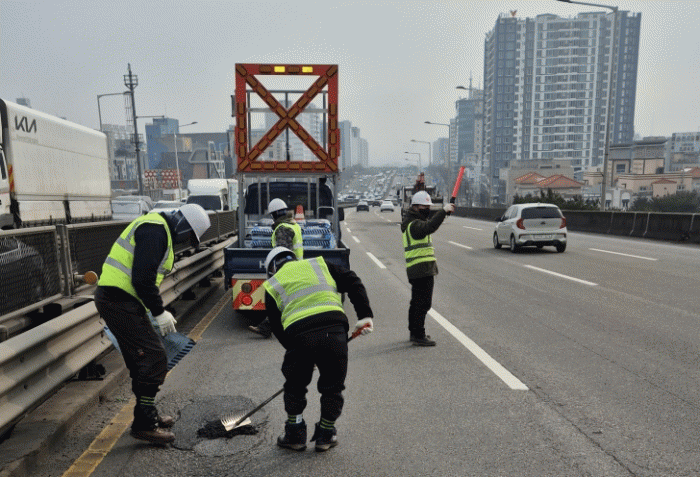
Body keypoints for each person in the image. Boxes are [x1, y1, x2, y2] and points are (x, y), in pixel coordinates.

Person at [94, 203, 211, 445]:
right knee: (155, 358)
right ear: (183, 225)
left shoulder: (159, 230)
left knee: (142, 362)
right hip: (118, 300)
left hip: (123, 300)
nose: (186, 242)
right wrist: (159, 312)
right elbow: (142, 279)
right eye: (189, 236)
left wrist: (152, 312)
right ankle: (144, 425)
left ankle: (147, 414)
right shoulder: (155, 230)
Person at [262, 247, 374, 452]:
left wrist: (301, 355)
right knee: (333, 386)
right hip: (335, 331)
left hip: (300, 337)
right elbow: (352, 280)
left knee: (295, 386)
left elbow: (278, 329)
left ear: (271, 269)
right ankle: (326, 434)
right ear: (295, 258)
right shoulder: (319, 264)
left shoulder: (272, 284)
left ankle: (294, 434)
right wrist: (365, 315)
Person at [400, 191, 454, 347]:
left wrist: (444, 214)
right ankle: (419, 334)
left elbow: (430, 223)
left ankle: (415, 332)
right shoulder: (414, 225)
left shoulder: (413, 222)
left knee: (417, 302)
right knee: (423, 304)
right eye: (424, 206)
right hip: (421, 269)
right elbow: (430, 226)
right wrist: (443, 211)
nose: (427, 209)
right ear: (415, 207)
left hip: (419, 269)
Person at [248, 198, 304, 339]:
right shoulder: (293, 224)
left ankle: (268, 327)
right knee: (285, 300)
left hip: (288, 269)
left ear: (275, 214)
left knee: (280, 300)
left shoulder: (283, 229)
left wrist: (279, 272)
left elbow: (283, 253)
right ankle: (267, 327)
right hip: (296, 267)